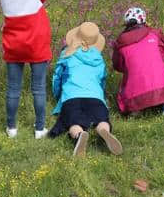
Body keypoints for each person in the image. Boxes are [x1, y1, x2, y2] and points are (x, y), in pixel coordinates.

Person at [0, 0, 52, 139]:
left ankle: (11, 128)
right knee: (38, 87)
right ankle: (39, 128)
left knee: (13, 87)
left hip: (13, 36)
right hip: (36, 33)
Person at [49, 22, 122, 157]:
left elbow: (57, 78)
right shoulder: (98, 58)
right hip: (95, 98)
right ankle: (103, 130)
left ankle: (79, 134)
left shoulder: (66, 54)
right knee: (101, 118)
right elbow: (102, 81)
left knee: (72, 121)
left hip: (71, 97)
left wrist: (57, 94)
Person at [112, 7, 164, 117]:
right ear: (144, 20)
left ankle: (136, 109)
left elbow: (118, 66)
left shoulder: (120, 43)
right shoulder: (155, 34)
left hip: (135, 95)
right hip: (163, 88)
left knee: (128, 79)